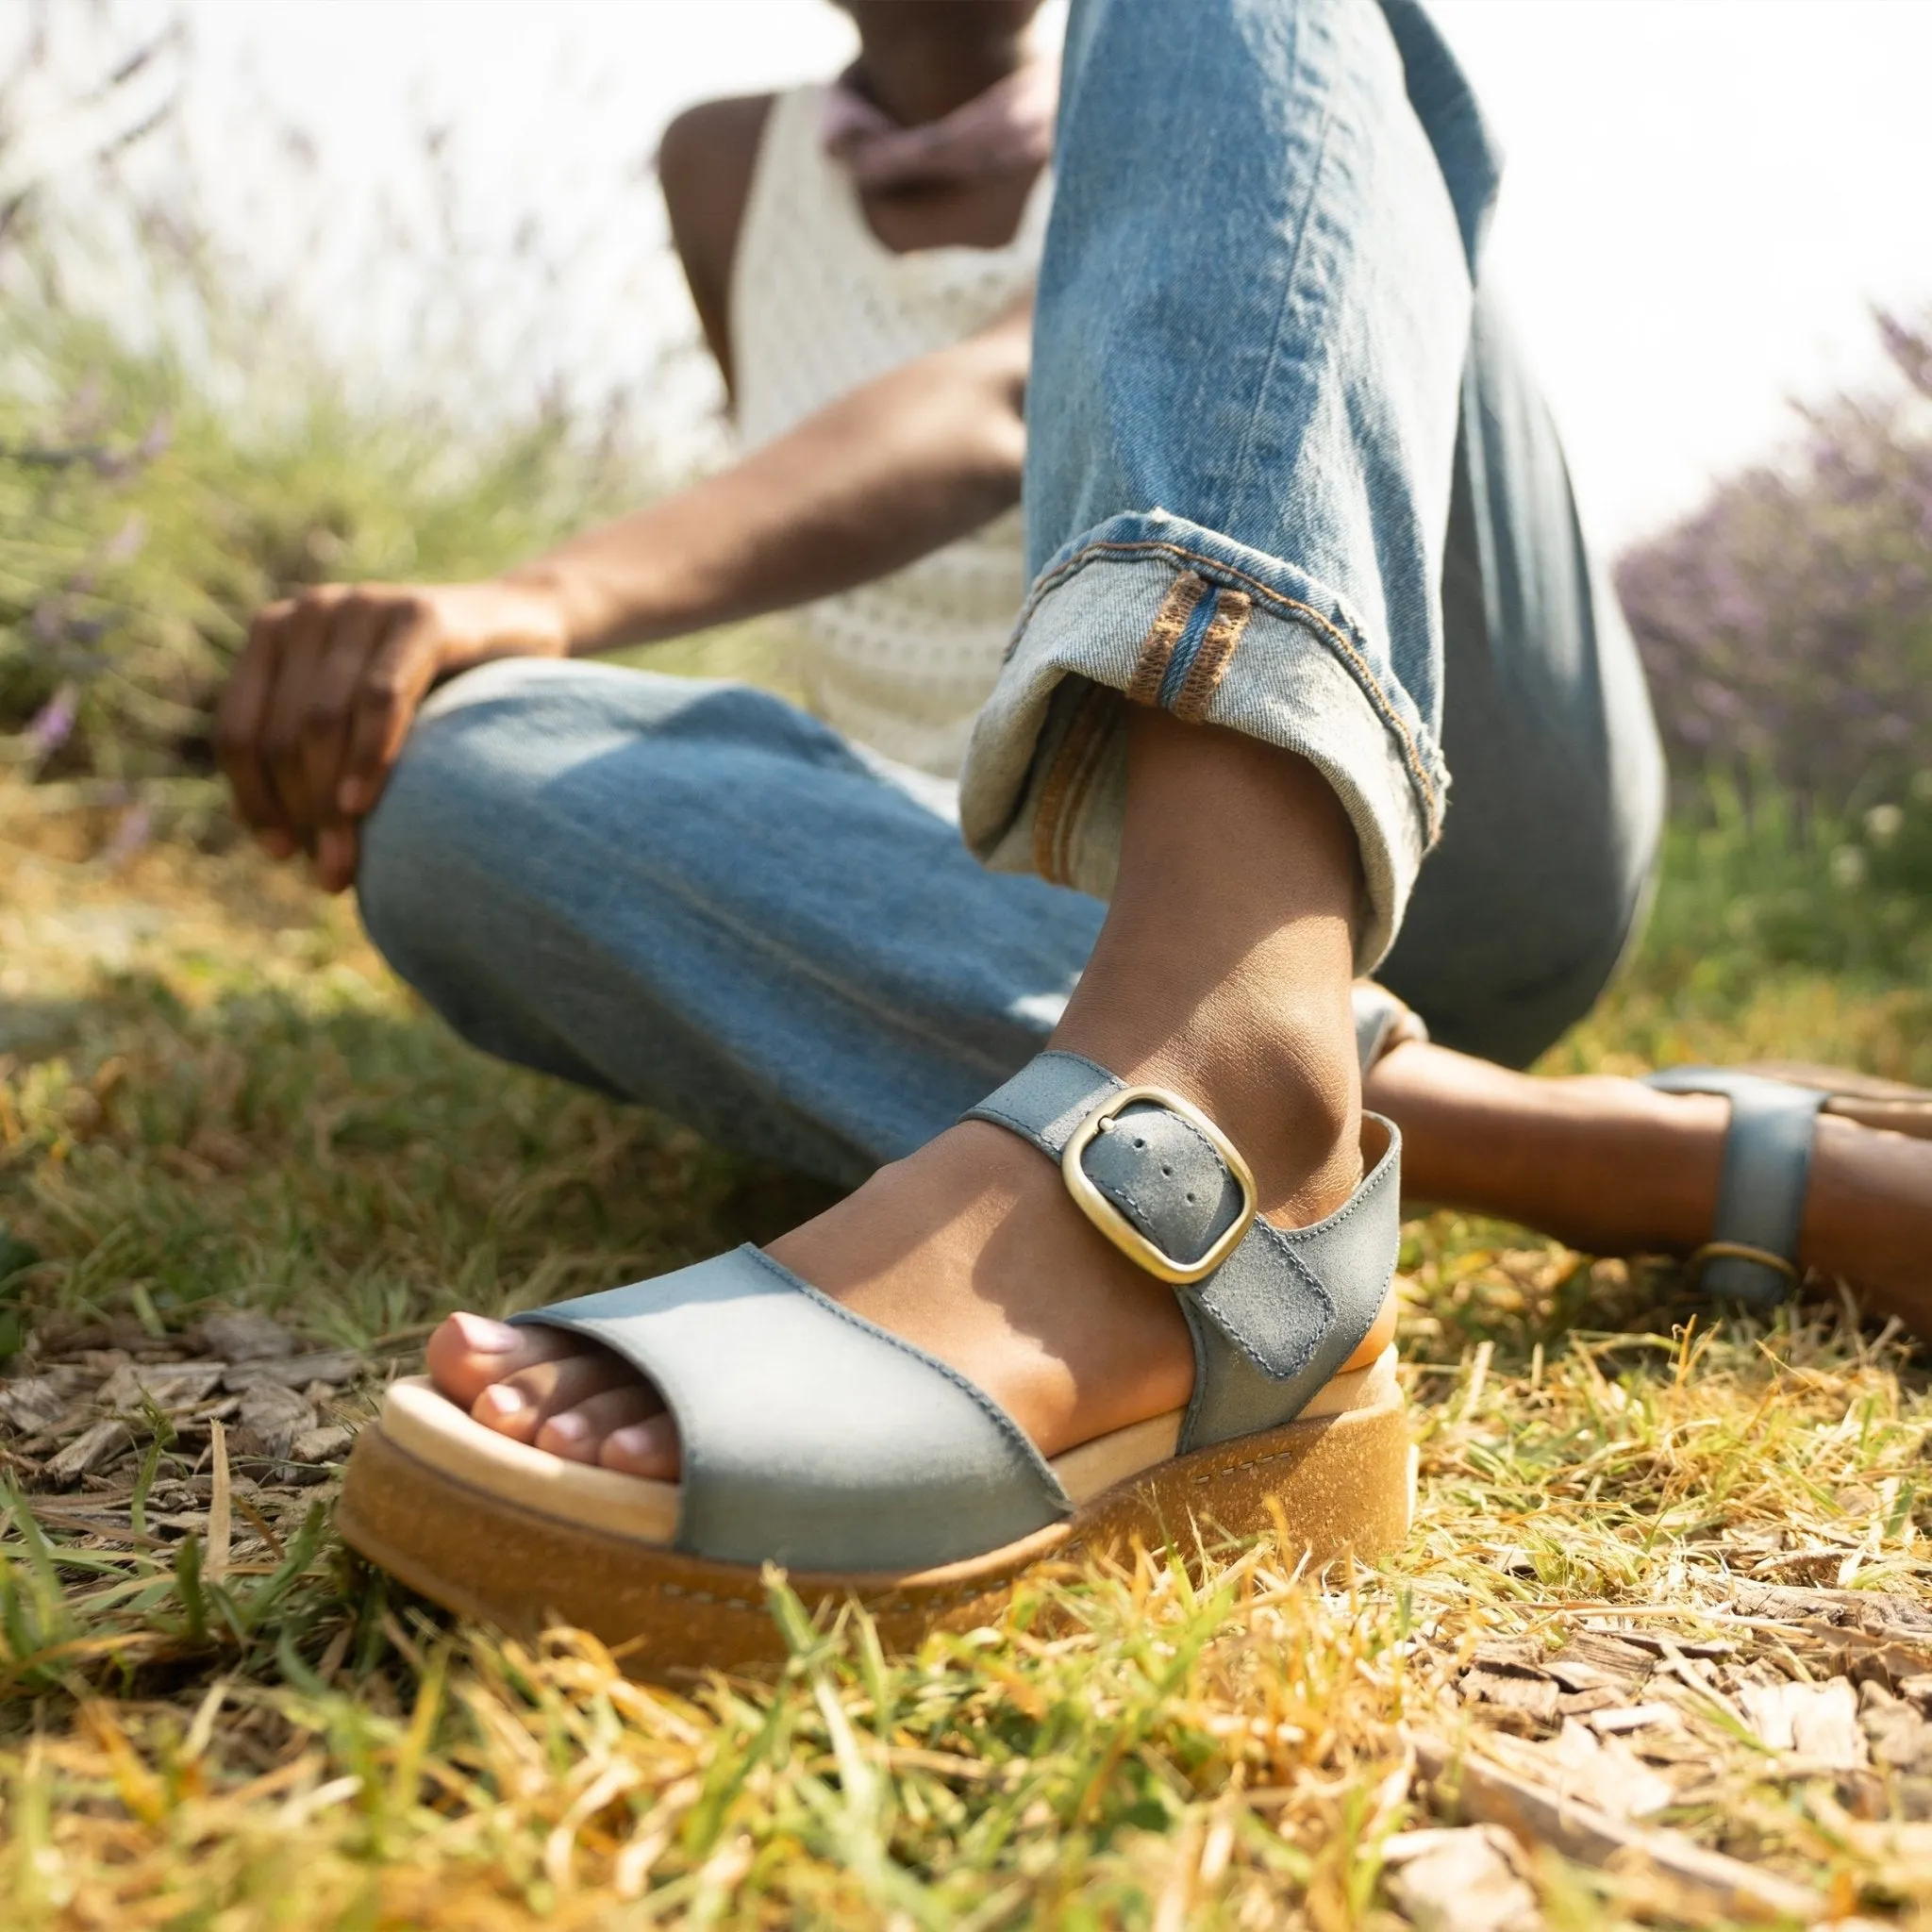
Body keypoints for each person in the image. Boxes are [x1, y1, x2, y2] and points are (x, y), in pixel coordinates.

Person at [216, 0, 1931, 1637]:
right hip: (1021, 906)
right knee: (455, 775)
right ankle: (1558, 1145)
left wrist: (554, 587)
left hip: (1444, 803)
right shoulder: (729, 165)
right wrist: (521, 650)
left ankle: (1229, 1063)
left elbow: (1002, 391)